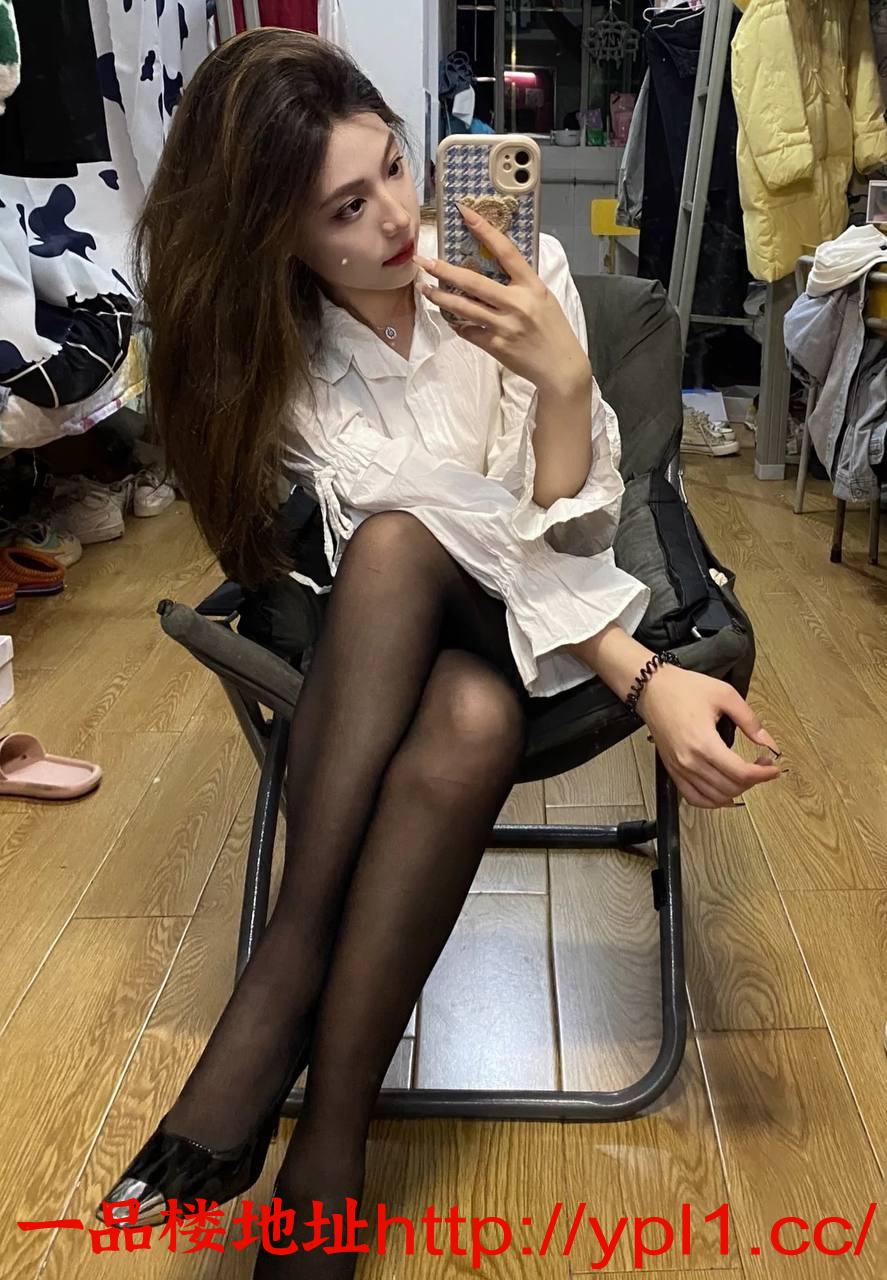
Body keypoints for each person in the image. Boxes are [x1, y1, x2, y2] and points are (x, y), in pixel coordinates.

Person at [99, 27, 782, 1277]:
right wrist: (643, 670)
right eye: (343, 210)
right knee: (450, 670)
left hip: (538, 603)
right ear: (277, 239)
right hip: (379, 639)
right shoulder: (284, 364)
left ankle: (280, 983)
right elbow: (421, 520)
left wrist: (562, 384)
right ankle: (329, 1142)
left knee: (414, 541)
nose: (395, 221)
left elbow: (563, 527)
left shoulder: (518, 269)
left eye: (395, 168)